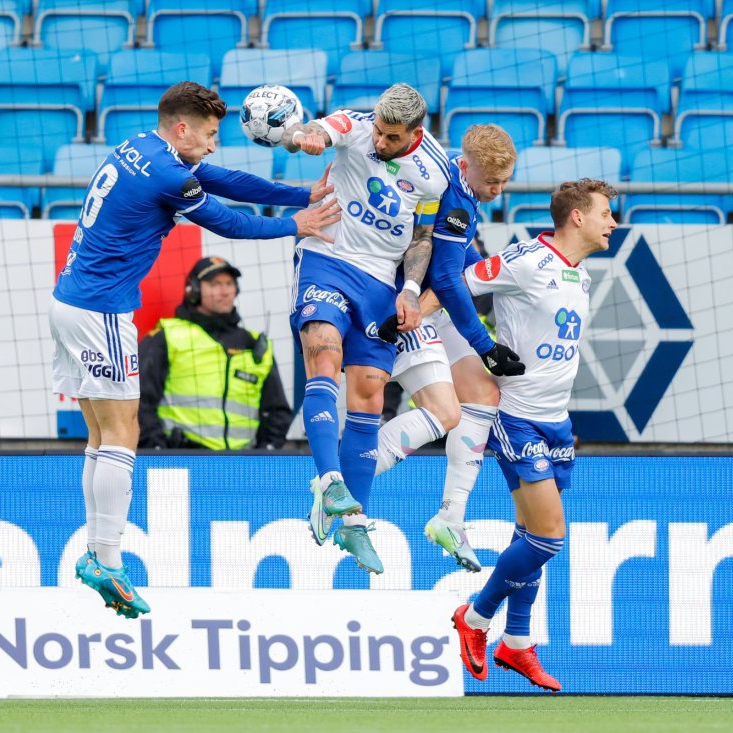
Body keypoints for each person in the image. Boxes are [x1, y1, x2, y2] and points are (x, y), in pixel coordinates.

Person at [50, 81, 340, 619]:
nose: (211, 146)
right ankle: (107, 558)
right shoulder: (166, 173)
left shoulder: (143, 145)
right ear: (182, 128)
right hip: (100, 309)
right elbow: (226, 221)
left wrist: (301, 194)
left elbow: (223, 177)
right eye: (208, 135)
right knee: (122, 432)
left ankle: (98, 550)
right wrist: (295, 226)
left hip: (69, 301)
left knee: (99, 433)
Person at [450, 178, 618, 693]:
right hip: (516, 415)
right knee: (549, 535)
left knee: (531, 537)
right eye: (606, 213)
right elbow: (457, 285)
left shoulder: (580, 276)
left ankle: (517, 643)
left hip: (556, 420)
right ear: (576, 217)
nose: (614, 222)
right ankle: (475, 620)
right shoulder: (525, 260)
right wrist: (409, 317)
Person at [280, 84, 449, 573]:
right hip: (327, 257)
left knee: (371, 395)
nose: (379, 140)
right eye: (377, 128)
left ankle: (355, 522)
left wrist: (412, 290)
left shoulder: (434, 175)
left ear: (415, 133)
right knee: (323, 351)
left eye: (391, 136)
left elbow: (422, 239)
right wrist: (302, 137)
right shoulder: (356, 126)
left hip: (379, 279)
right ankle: (328, 480)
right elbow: (316, 131)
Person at [372, 124, 523, 574]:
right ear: (465, 165)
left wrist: (495, 268)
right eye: (491, 182)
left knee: (483, 396)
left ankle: (451, 517)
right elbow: (449, 280)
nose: (497, 190)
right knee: (436, 410)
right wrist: (486, 344)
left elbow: (459, 267)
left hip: (432, 302)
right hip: (405, 305)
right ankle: (342, 476)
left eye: (505, 182)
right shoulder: (454, 198)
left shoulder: (465, 187)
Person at [138, 256, 293, 451]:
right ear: (193, 290)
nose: (225, 291)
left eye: (229, 283)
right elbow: (138, 400)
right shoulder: (167, 336)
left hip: (242, 466)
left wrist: (264, 454)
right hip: (181, 460)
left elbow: (278, 412)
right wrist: (158, 450)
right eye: (215, 284)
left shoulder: (255, 344)